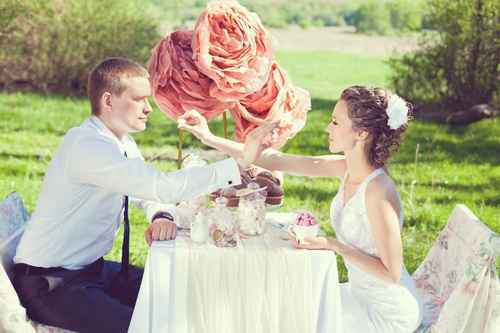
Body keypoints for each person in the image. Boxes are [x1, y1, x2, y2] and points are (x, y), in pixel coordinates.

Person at [12, 57, 272, 333]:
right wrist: (239, 163)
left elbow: (144, 192)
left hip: (92, 271)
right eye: (139, 99)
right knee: (149, 327)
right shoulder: (88, 147)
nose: (149, 109)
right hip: (52, 284)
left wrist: (160, 214)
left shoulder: (120, 141)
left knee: (181, 293)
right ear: (109, 100)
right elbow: (160, 186)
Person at [178, 85, 423, 332]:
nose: (328, 127)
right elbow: (276, 160)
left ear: (361, 133)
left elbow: (391, 273)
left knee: (296, 321)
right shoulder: (346, 168)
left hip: (386, 312)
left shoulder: (378, 191)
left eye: (336, 122)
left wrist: (333, 245)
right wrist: (207, 137)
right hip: (359, 295)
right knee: (287, 308)